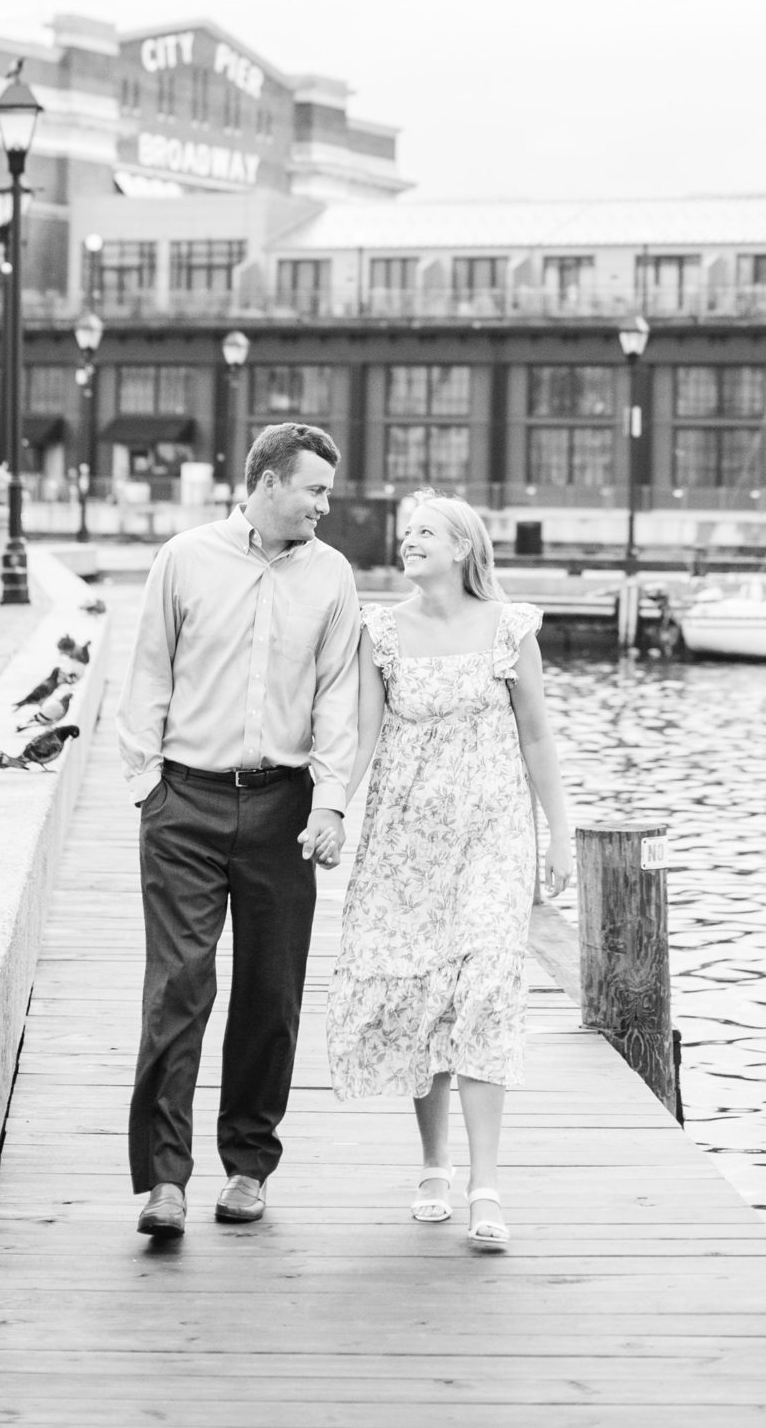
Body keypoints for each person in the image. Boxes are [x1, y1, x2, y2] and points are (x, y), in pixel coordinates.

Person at [118, 420, 359, 1237]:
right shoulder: (184, 558)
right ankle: (164, 1182)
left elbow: (337, 694)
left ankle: (249, 1168)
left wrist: (329, 801)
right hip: (183, 799)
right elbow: (148, 667)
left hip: (283, 806)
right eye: (314, 489)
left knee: (270, 993)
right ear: (264, 481)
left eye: (327, 491)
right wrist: (146, 783)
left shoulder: (332, 576)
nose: (325, 506)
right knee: (178, 987)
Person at [326, 490, 573, 1252]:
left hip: (493, 835)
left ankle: (485, 1181)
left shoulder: (510, 629)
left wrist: (559, 836)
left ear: (463, 547)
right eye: (407, 534)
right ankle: (434, 1162)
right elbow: (363, 736)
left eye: (425, 532)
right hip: (405, 842)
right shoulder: (380, 632)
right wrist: (330, 807)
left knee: (487, 987)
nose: (409, 542)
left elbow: (536, 740)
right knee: (422, 989)